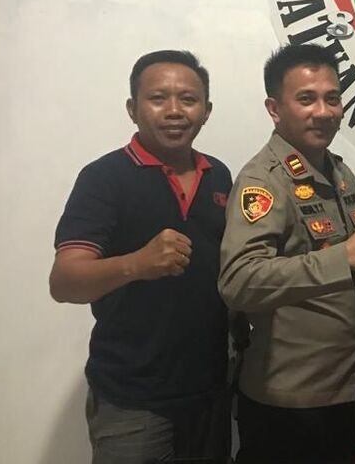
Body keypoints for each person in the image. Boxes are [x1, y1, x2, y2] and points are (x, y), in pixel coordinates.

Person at [50, 50, 232, 463]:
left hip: (209, 393)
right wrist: (137, 264)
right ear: (133, 109)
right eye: (158, 98)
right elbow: (63, 282)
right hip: (133, 399)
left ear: (206, 111)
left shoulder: (219, 175)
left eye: (188, 99)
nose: (174, 111)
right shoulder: (104, 178)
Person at [219, 43, 355, 464]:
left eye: (333, 98)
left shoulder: (339, 173)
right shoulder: (264, 181)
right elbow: (239, 282)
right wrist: (343, 258)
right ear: (275, 109)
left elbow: (339, 291)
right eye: (307, 99)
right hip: (286, 401)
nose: (324, 112)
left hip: (338, 386)